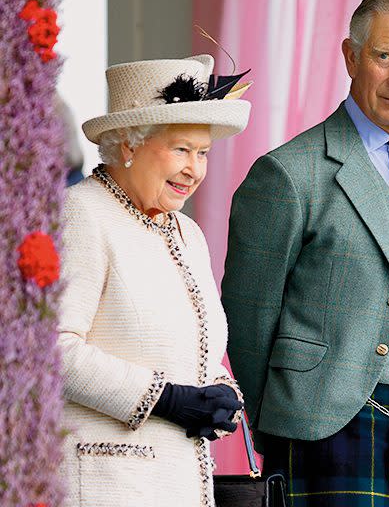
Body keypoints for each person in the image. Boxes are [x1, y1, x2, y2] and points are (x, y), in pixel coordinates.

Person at [222, 0, 389, 506]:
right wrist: (291, 425)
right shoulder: (288, 174)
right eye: (384, 56)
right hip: (326, 431)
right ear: (350, 56)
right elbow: (246, 322)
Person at [58, 55, 251, 506]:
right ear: (128, 144)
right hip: (106, 485)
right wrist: (163, 399)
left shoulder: (187, 233)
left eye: (202, 153)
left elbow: (191, 347)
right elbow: (52, 350)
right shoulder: (80, 214)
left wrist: (221, 391)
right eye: (181, 149)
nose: (195, 170)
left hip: (181, 486)